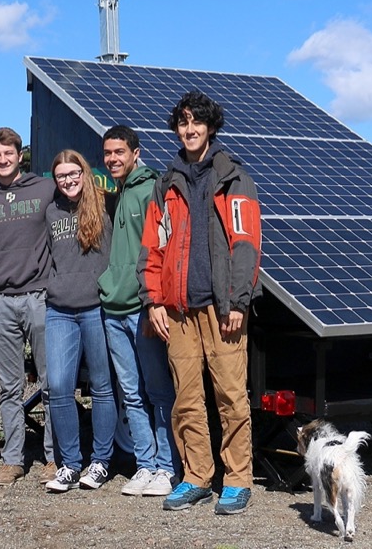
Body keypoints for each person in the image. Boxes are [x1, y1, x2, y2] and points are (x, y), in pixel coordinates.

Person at [140, 91, 262, 515]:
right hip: (178, 310)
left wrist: (238, 302)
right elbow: (152, 248)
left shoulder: (233, 178)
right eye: (183, 123)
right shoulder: (165, 182)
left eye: (197, 122)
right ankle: (196, 476)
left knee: (230, 395)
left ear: (211, 127)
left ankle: (237, 480)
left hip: (223, 308)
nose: (189, 130)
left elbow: (245, 244)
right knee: (186, 397)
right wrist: (154, 300)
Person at [98, 125, 180, 497]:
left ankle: (167, 467)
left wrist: (155, 301)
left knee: (158, 390)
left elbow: (161, 252)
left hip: (142, 307)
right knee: (130, 393)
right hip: (113, 307)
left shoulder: (152, 189)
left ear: (135, 152)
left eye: (119, 152)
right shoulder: (117, 193)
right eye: (108, 153)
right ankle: (145, 465)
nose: (113, 158)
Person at [0, 126, 56, 485]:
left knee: (53, 383)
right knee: (9, 386)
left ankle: (56, 457)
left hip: (40, 296)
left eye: (8, 153)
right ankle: (13, 458)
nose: (2, 160)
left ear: (19, 155)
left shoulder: (45, 188)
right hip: (1, 300)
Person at [42, 149, 116, 493]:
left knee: (102, 387)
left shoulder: (104, 206)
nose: (68, 181)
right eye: (61, 176)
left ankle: (100, 462)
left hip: (96, 308)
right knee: (58, 387)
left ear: (84, 173)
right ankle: (70, 464)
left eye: (73, 174)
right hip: (59, 310)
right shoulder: (50, 211)